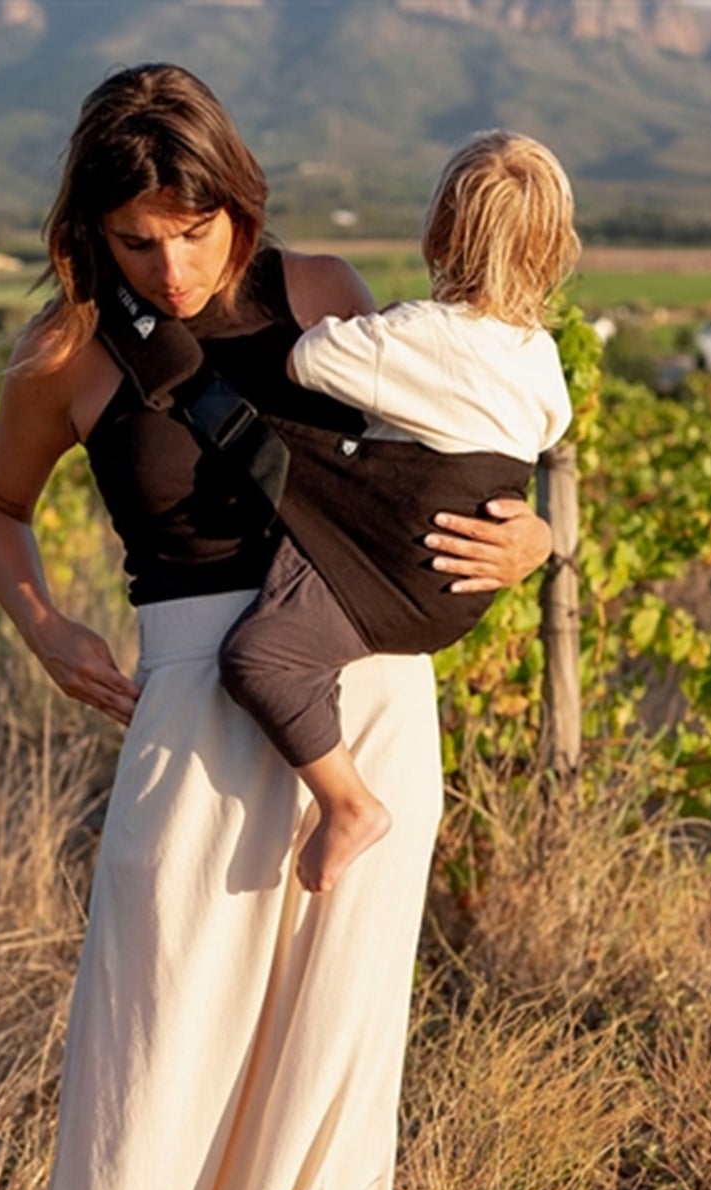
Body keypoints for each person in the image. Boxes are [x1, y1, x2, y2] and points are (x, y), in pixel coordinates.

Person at [0, 62, 553, 1190]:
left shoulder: (326, 292)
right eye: (135, 241)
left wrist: (542, 541)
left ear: (240, 199)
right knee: (159, 1035)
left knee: (337, 1045)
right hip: (192, 708)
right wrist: (46, 628)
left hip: (369, 699)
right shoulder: (69, 353)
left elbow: (461, 437)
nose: (170, 267)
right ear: (90, 231)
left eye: (195, 229)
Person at [216, 129, 578, 895]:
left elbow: (308, 361)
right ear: (553, 251)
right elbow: (549, 429)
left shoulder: (415, 336)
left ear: (439, 233)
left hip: (386, 566)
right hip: (456, 595)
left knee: (262, 658)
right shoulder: (540, 356)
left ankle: (347, 803)